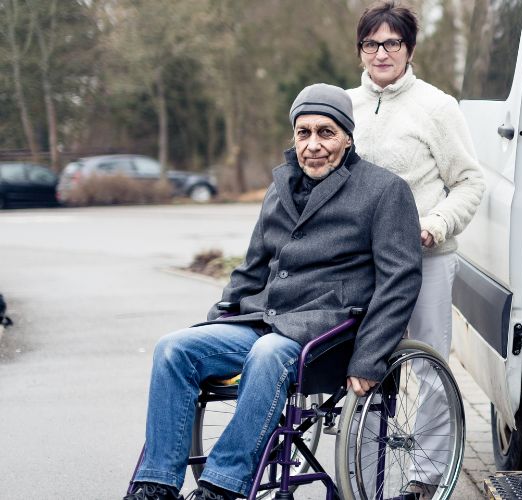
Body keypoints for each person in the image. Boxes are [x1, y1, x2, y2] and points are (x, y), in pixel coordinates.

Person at [124, 84, 423, 500]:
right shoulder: (280, 187)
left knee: (268, 354)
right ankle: (155, 484)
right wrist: (220, 318)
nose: (314, 145)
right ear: (294, 138)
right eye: (304, 133)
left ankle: (223, 487)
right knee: (175, 348)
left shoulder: (384, 190)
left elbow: (400, 281)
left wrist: (371, 357)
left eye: (326, 132)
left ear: (348, 137)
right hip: (265, 321)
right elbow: (251, 268)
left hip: (330, 336)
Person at [347, 2, 485, 495]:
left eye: (392, 44)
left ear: (408, 49)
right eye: (371, 44)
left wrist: (436, 224)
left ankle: (425, 480)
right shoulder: (345, 106)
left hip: (425, 257)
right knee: (363, 366)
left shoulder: (437, 106)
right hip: (361, 264)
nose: (380, 53)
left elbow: (469, 182)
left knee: (426, 367)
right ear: (360, 49)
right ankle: (360, 476)